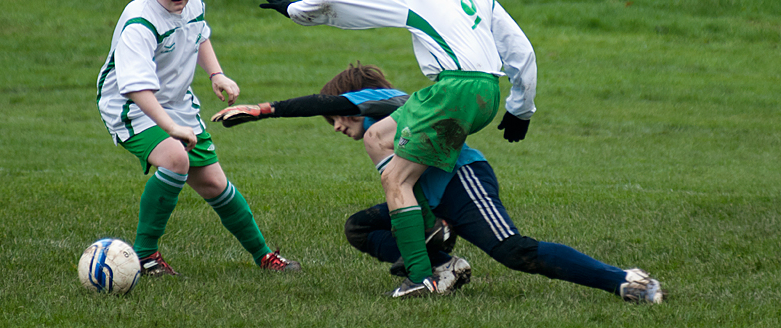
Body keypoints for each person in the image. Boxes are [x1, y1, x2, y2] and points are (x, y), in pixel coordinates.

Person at [210, 63, 664, 303]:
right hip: (431, 199)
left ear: (359, 100)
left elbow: (320, 100)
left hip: (463, 181)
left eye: (336, 116)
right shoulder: (385, 133)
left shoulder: (387, 100)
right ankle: (441, 269)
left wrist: (264, 109)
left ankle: (625, 281)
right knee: (361, 228)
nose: (333, 123)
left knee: (515, 252)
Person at [258, 0, 535, 296]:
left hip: (455, 88)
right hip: (490, 91)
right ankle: (430, 234)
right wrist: (521, 107)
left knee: (384, 154)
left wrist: (296, 10)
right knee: (381, 146)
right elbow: (520, 50)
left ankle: (423, 272)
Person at [96, 0, 299, 276]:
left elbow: (199, 34)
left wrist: (216, 74)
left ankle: (264, 257)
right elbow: (135, 88)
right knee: (176, 158)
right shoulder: (140, 24)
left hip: (177, 103)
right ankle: (145, 256)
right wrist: (171, 128)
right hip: (130, 107)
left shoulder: (192, 3)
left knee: (216, 185)